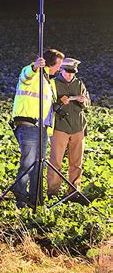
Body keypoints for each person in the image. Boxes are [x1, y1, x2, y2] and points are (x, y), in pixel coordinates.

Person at [12, 49, 65, 208]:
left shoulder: (48, 81)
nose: (60, 69)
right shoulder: (34, 74)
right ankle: (21, 197)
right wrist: (34, 67)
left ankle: (36, 198)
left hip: (41, 128)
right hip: (28, 124)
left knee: (39, 164)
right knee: (28, 162)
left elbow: (45, 106)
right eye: (59, 65)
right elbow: (26, 76)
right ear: (51, 64)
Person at [47, 58, 90, 199]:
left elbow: (88, 104)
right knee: (56, 162)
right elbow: (47, 106)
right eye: (67, 72)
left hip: (78, 127)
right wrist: (59, 103)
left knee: (76, 163)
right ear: (61, 70)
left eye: (72, 73)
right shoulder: (52, 84)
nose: (70, 75)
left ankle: (74, 192)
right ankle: (53, 192)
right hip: (60, 128)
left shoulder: (79, 84)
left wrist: (83, 101)